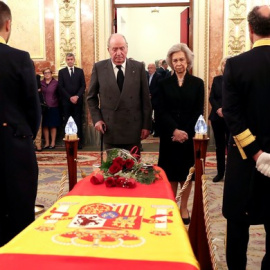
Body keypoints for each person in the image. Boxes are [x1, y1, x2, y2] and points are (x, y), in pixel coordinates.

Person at [222, 5, 270, 270]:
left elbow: (232, 115)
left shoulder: (236, 65)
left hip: (244, 163)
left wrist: (257, 153)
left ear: (250, 30)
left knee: (238, 231)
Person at [0, 1, 41, 246]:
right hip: (14, 147)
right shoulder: (18, 58)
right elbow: (33, 110)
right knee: (18, 210)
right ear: (8, 24)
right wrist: (25, 135)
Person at [157, 43, 204, 225]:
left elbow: (198, 111)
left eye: (181, 59)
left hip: (188, 136)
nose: (178, 63)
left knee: (186, 173)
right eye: (175, 60)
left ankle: (183, 207)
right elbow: (160, 110)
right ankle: (171, 204)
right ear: (170, 62)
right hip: (169, 136)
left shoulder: (198, 83)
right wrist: (174, 130)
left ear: (188, 61)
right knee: (170, 173)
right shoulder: (163, 84)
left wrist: (184, 133)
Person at [87, 33, 152, 154]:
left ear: (127, 48)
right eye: (114, 49)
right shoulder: (99, 67)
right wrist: (97, 119)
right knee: (112, 169)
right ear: (108, 50)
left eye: (122, 48)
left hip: (133, 128)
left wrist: (146, 125)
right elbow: (91, 98)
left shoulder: (138, 67)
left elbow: (145, 100)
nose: (118, 53)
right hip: (110, 128)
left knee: (133, 169)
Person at [208, 57, 230, 183]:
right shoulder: (216, 80)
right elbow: (212, 98)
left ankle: (231, 173)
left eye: (227, 64)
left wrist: (226, 110)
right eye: (224, 64)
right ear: (221, 66)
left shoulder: (236, 80)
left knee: (230, 147)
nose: (225, 66)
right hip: (217, 118)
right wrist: (218, 109)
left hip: (231, 118)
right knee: (219, 146)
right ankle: (220, 173)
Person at [58, 53, 86, 149]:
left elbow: (83, 86)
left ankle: (79, 142)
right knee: (67, 121)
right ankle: (68, 142)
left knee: (78, 121)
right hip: (66, 102)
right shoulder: (61, 72)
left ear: (74, 60)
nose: (70, 61)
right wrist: (70, 97)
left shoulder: (80, 71)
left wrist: (77, 96)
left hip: (77, 101)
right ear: (66, 60)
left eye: (71, 59)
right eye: (68, 59)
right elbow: (61, 87)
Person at [41, 67, 61, 149]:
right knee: (45, 125)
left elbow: (59, 94)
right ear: (43, 74)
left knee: (53, 125)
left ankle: (53, 143)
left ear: (51, 73)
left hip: (54, 106)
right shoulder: (40, 83)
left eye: (48, 72)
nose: (47, 74)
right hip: (44, 107)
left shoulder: (56, 83)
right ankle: (47, 143)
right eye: (45, 73)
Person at [147, 63, 161, 137]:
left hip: (156, 99)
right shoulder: (146, 76)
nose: (149, 69)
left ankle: (157, 131)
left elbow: (158, 87)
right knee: (148, 115)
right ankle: (150, 129)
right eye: (148, 68)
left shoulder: (158, 76)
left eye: (151, 67)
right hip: (148, 100)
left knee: (156, 116)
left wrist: (151, 94)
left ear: (155, 68)